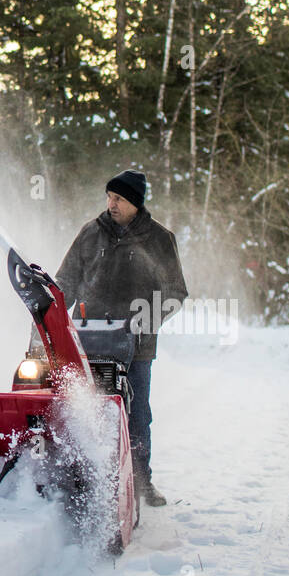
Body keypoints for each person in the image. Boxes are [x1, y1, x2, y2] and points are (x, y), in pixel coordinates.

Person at [55, 169, 188, 508]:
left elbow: (174, 292)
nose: (111, 204)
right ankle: (79, 476)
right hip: (88, 339)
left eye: (119, 199)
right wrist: (50, 318)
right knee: (81, 408)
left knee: (136, 412)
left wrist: (145, 320)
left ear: (135, 203)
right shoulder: (91, 233)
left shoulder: (159, 239)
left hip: (136, 346)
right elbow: (66, 281)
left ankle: (141, 481)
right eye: (109, 197)